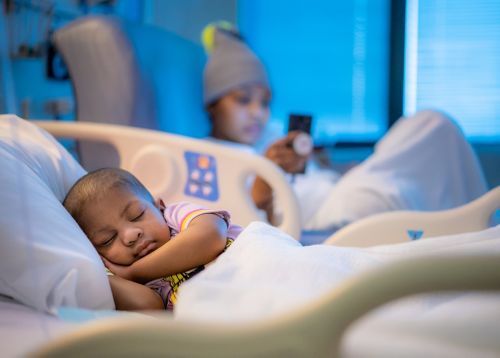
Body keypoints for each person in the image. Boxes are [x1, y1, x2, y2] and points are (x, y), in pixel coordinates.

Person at [201, 22, 488, 236]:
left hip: (338, 194)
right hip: (325, 218)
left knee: (436, 133)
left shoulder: (269, 139)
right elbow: (240, 220)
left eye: (265, 103)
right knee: (432, 124)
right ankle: (484, 229)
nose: (257, 113)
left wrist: (323, 165)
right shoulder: (206, 157)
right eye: (243, 100)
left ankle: (479, 230)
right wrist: (267, 177)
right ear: (213, 105)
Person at [63, 167, 243, 311]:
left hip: (249, 269)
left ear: (159, 207)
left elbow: (211, 236)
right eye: (107, 240)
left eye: (137, 215)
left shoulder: (174, 217)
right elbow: (149, 306)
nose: (131, 235)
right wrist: (105, 276)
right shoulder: (118, 274)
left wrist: (135, 272)